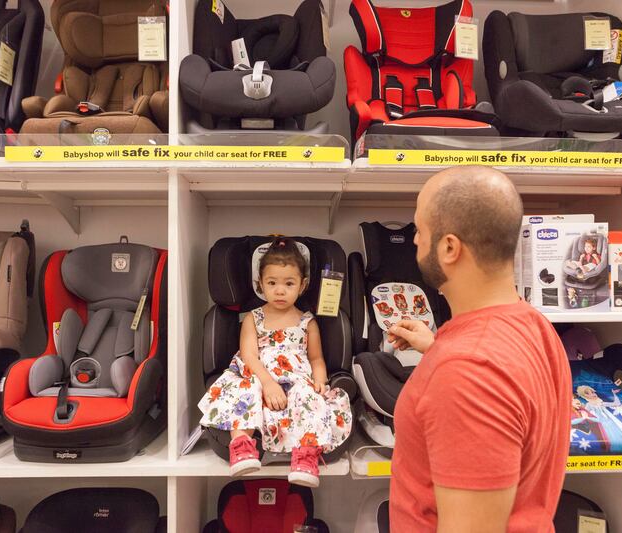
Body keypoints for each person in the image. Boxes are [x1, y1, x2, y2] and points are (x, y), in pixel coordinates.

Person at [387, 166, 572, 532]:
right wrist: (437, 347)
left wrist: (451, 361)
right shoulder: (533, 327)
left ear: (449, 248)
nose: (414, 242)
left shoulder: (467, 371)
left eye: (419, 231)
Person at [198, 237, 352, 488]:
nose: (280, 290)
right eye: (272, 283)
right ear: (261, 284)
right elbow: (249, 356)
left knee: (310, 397)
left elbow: (316, 358)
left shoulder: (308, 322)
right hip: (258, 374)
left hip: (296, 378)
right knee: (242, 389)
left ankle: (306, 455)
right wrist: (267, 383)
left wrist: (320, 380)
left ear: (302, 286)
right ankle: (241, 445)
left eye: (289, 283)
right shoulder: (253, 319)